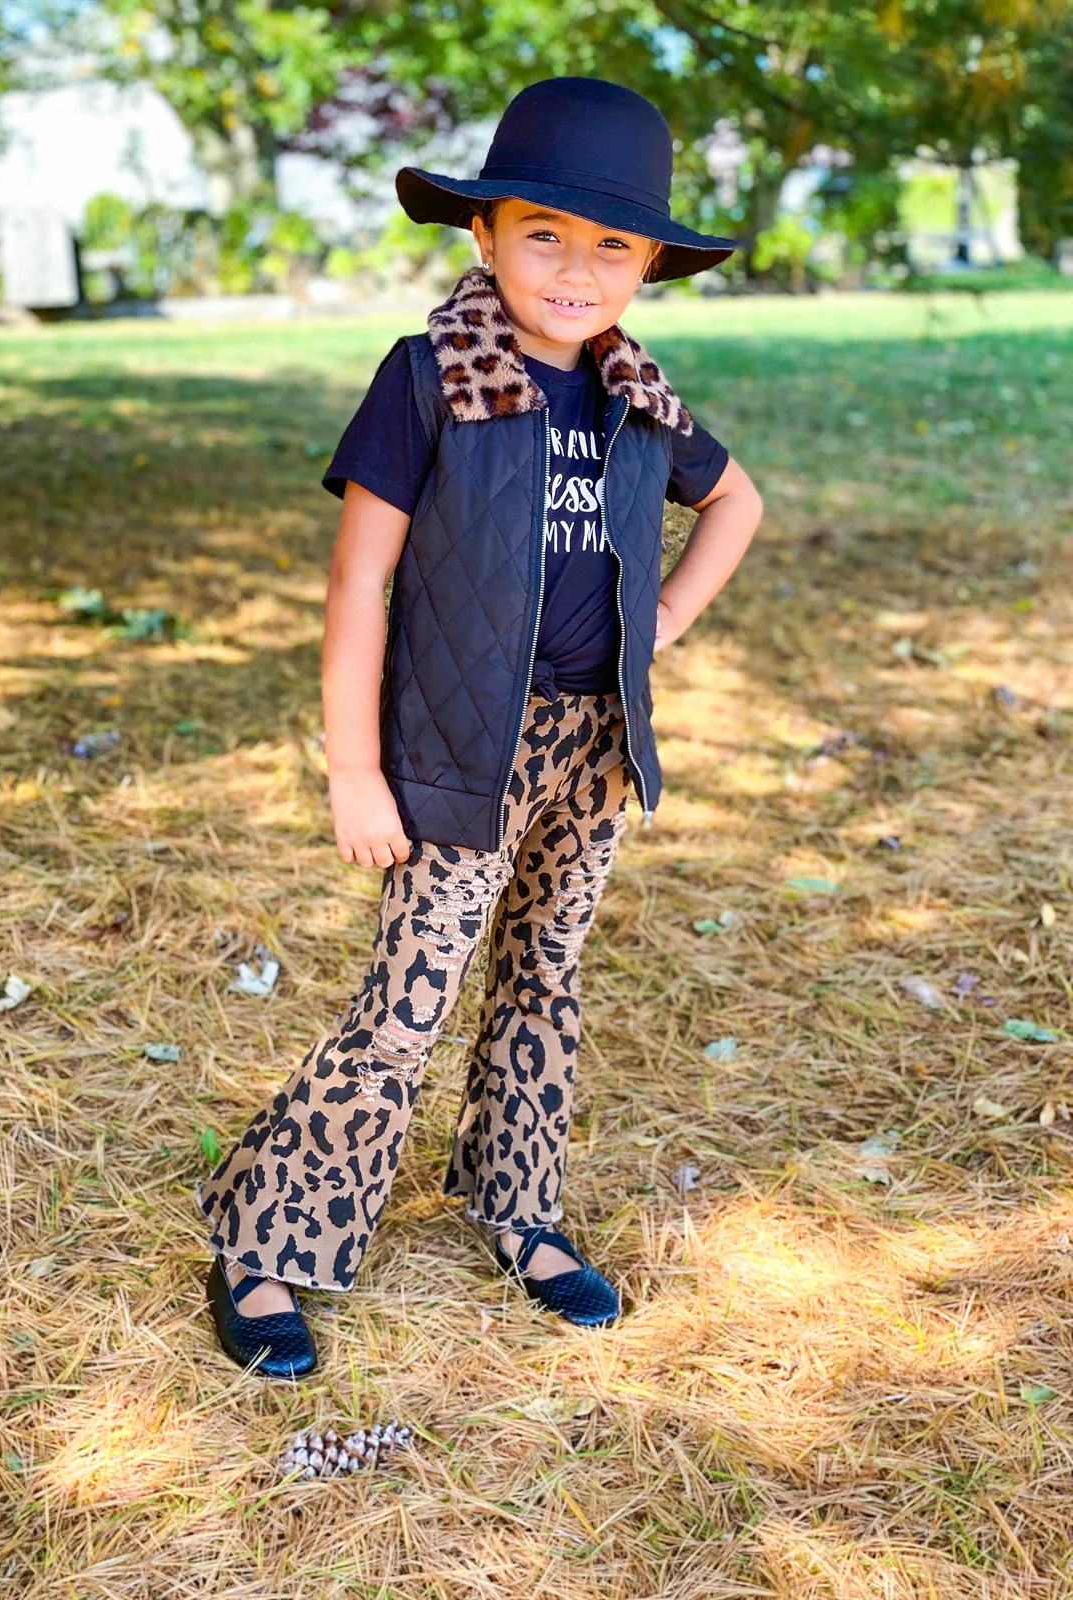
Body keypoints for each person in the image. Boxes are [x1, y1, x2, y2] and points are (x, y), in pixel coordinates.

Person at [197, 75, 764, 1378]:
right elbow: (358, 583)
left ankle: (519, 1205)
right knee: (412, 999)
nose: (575, 268)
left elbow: (737, 504)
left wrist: (664, 623)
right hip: (461, 752)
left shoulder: (640, 401)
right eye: (544, 234)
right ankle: (269, 1237)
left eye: (610, 243)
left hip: (591, 748)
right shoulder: (429, 381)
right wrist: (353, 770)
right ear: (485, 236)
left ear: (647, 265)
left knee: (545, 974)